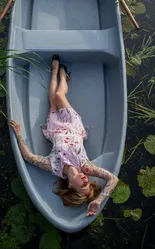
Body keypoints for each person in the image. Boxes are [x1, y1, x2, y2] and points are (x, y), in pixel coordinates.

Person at [10, 54, 118, 216]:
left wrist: (19, 134)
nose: (85, 179)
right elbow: (113, 179)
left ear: (70, 185)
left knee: (52, 98)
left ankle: (54, 71)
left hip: (55, 128)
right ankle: (63, 76)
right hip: (73, 124)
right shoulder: (85, 166)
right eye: (87, 182)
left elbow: (29, 157)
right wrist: (97, 201)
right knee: (60, 96)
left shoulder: (53, 166)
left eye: (82, 185)